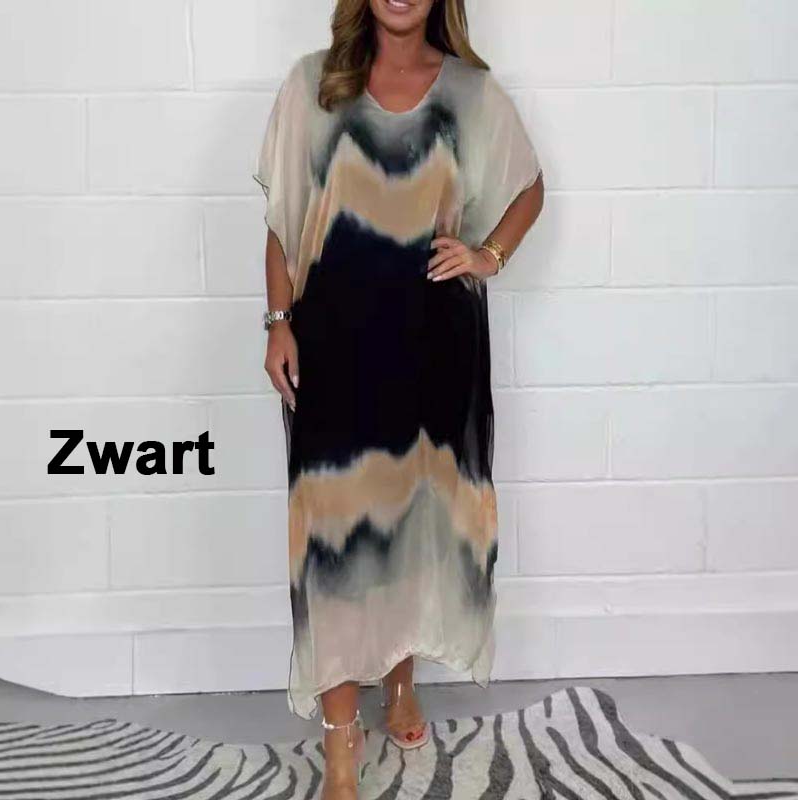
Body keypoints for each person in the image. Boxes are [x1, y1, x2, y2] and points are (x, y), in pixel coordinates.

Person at [253, 0, 544, 796]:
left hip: (433, 348)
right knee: (333, 540)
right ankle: (340, 746)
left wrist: (488, 254)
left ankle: (401, 681)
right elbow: (282, 224)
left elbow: (529, 187)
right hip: (334, 347)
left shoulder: (471, 93)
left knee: (411, 521)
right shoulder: (311, 87)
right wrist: (278, 323)